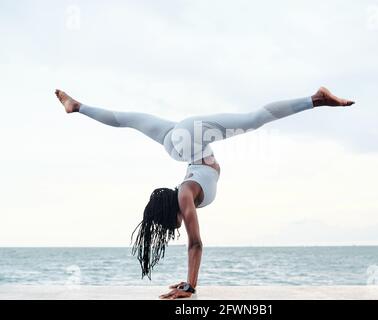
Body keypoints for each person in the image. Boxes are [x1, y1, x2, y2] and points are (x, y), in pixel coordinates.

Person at [55, 87, 354, 299]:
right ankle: (77, 106)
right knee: (127, 120)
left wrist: (190, 286)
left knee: (252, 119)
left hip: (185, 141)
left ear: (168, 210)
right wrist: (188, 282)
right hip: (179, 143)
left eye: (164, 224)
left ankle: (315, 99)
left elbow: (196, 243)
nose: (170, 229)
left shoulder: (185, 194)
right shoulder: (185, 189)